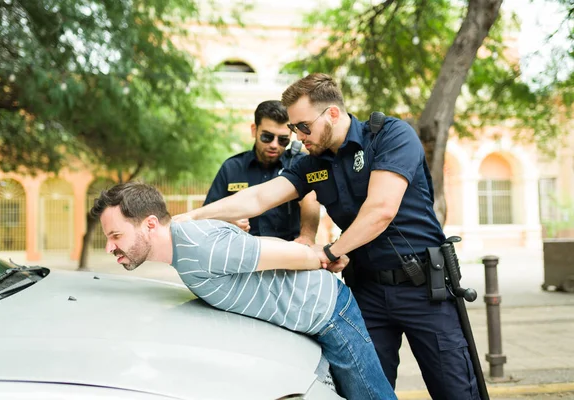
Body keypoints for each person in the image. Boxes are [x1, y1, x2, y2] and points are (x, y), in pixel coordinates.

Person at [174, 73, 480, 399]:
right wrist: (188, 217)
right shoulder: (313, 163)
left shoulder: (390, 135)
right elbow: (258, 197)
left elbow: (381, 210)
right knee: (365, 393)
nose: (297, 136)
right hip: (367, 291)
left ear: (332, 114)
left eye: (303, 126)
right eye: (294, 128)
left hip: (422, 289)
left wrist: (330, 251)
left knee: (456, 391)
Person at [91, 182, 397, 400]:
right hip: (304, 327)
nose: (109, 246)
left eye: (116, 235)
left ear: (150, 224)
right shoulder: (183, 247)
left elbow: (287, 254)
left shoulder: (200, 247)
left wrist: (324, 255)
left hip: (329, 315)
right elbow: (260, 250)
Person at [204, 100, 320, 244]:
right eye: (267, 137)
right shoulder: (232, 167)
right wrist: (227, 221)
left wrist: (307, 237)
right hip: (242, 253)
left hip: (287, 253)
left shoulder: (299, 164)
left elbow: (311, 199)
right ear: (254, 130)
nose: (274, 145)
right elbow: (207, 215)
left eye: (283, 140)